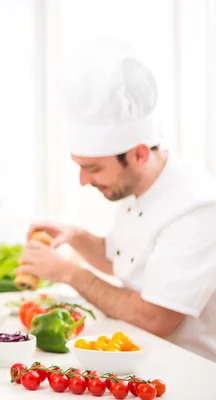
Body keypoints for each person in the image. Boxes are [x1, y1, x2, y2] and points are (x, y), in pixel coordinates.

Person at [17, 45, 216, 363]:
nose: (83, 180)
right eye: (79, 166)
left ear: (138, 154)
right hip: (138, 356)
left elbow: (156, 318)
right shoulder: (136, 185)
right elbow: (124, 261)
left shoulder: (197, 209)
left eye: (93, 168)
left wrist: (69, 273)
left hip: (189, 369)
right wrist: (76, 236)